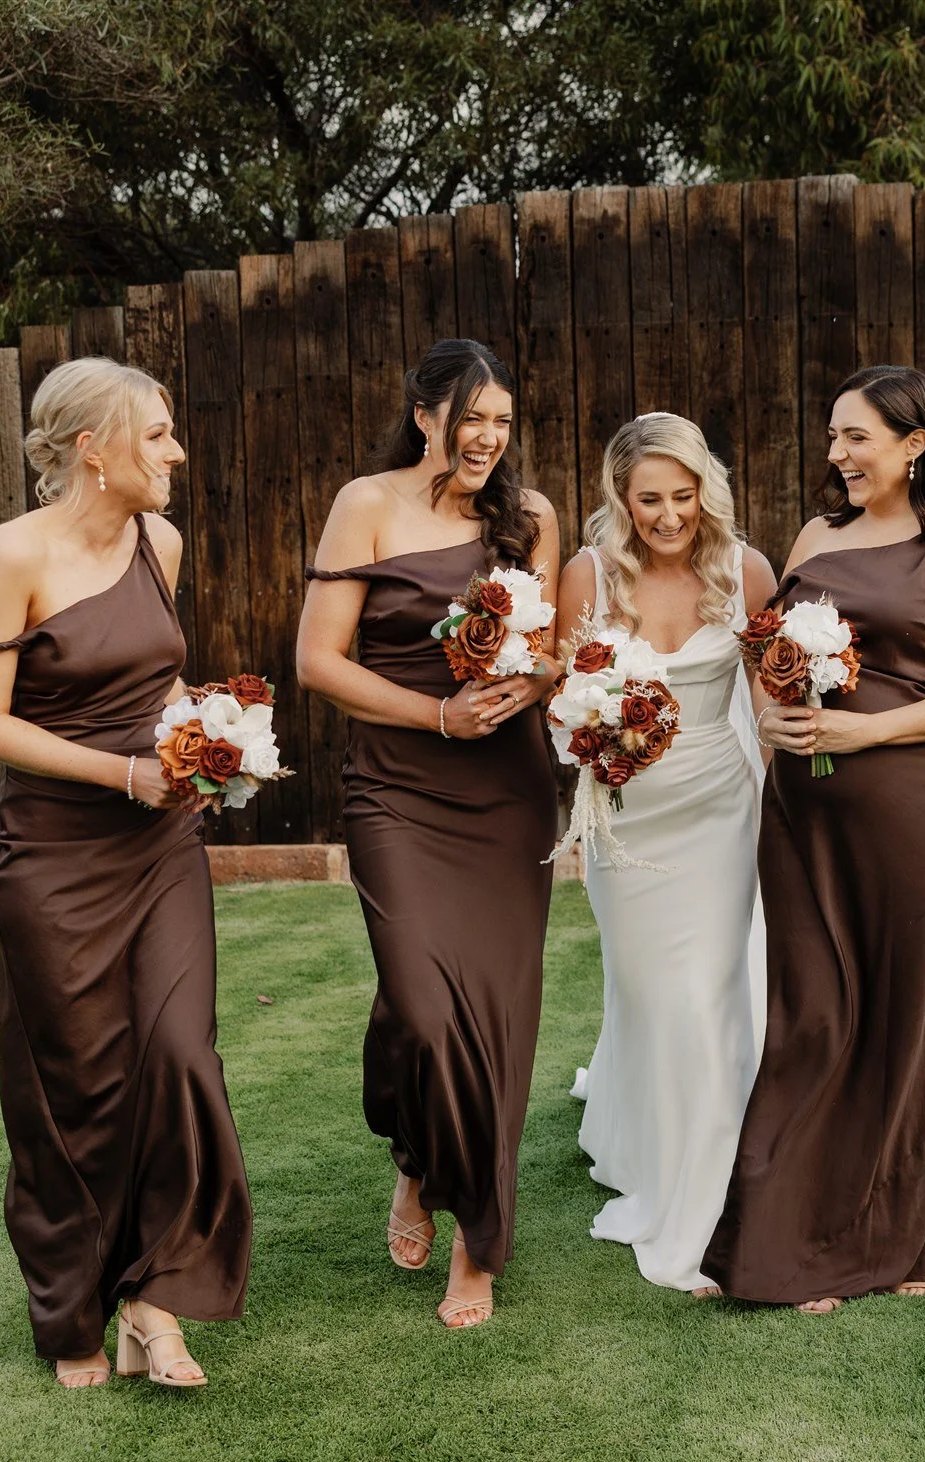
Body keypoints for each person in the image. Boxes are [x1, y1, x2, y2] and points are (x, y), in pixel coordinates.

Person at [0, 357, 251, 1390]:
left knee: (179, 1056)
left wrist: (202, 735)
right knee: (73, 1086)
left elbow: (155, 672)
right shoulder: (13, 554)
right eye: (157, 434)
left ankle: (155, 1305)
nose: (174, 451)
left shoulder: (158, 541)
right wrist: (122, 773)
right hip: (55, 856)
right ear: (94, 449)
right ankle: (76, 1311)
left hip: (159, 845)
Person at [703, 364, 925, 1312]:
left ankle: (913, 1230)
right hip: (805, 813)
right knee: (813, 1016)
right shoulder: (816, 536)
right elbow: (768, 648)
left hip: (921, 812)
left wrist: (865, 732)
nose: (836, 455)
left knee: (910, 1017)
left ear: (914, 444)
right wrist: (773, 717)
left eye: (857, 438)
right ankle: (787, 1230)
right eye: (833, 436)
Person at [296, 338, 559, 1328]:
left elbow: (544, 657)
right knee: (419, 1004)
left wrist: (537, 676)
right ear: (424, 414)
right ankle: (414, 1150)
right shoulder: (365, 504)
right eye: (471, 417)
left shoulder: (529, 519)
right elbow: (318, 661)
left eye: (501, 420)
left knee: (490, 1015)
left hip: (505, 791)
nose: (488, 436)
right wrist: (435, 714)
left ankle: (475, 1240)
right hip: (398, 787)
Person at [558, 412, 771, 1297]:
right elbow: (562, 703)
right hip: (629, 817)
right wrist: (595, 747)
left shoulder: (745, 570)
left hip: (723, 809)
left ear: (705, 491)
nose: (670, 515)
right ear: (621, 496)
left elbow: (771, 699)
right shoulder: (590, 574)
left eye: (684, 496)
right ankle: (653, 1144)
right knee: (651, 994)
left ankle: (707, 1200)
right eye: (650, 499)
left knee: (707, 997)